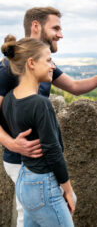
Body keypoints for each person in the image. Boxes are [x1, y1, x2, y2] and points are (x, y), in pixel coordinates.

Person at [0, 7, 97, 226]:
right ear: (36, 26)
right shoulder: (10, 69)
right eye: (56, 28)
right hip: (24, 162)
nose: (61, 34)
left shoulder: (41, 63)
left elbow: (75, 86)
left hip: (35, 164)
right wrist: (12, 144)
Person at [1, 35, 75, 226]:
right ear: (31, 63)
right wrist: (67, 189)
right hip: (44, 184)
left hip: (25, 181)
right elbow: (53, 151)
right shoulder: (40, 104)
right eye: (49, 60)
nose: (52, 66)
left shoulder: (9, 98)